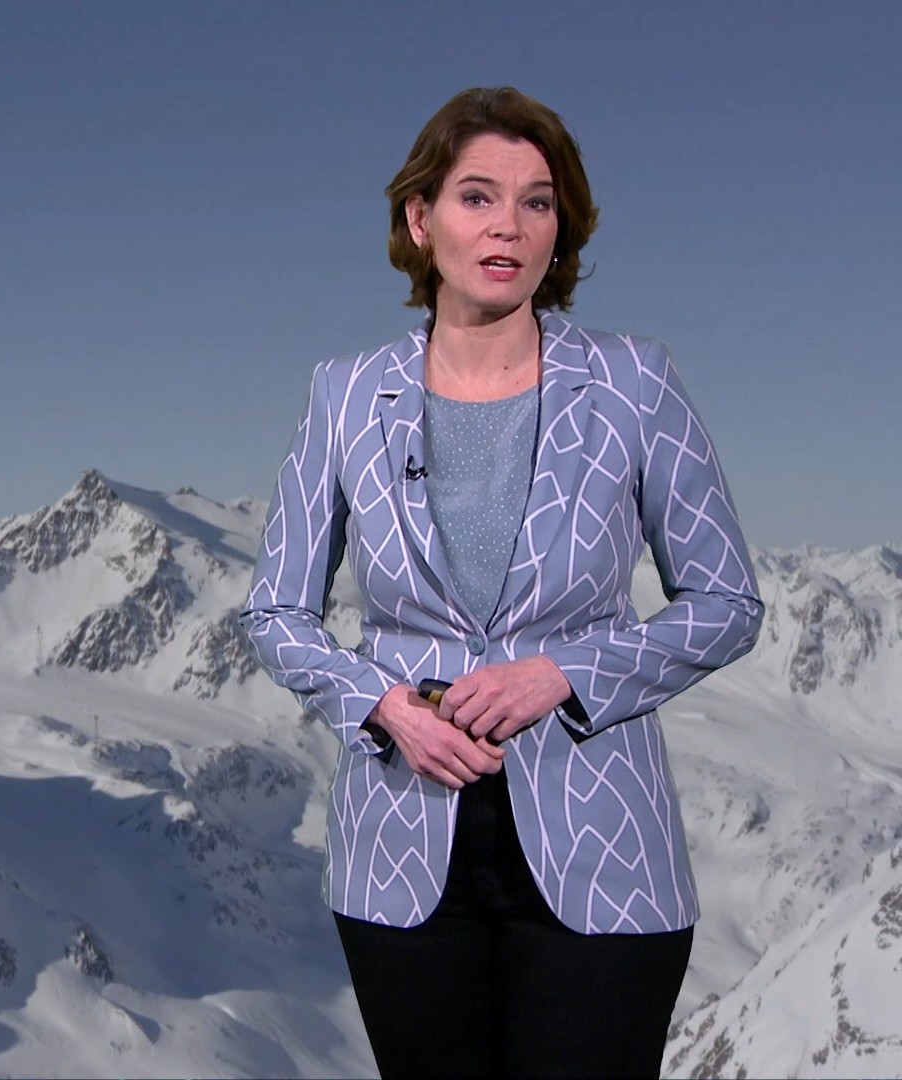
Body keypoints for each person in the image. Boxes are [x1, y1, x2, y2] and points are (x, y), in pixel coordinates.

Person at [237, 86, 763, 1078]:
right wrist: (384, 705)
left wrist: (563, 673)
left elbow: (727, 604)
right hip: (402, 856)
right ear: (419, 218)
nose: (508, 226)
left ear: (561, 228)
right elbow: (275, 612)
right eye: (477, 196)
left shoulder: (634, 382)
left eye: (537, 202)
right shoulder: (344, 396)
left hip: (605, 854)